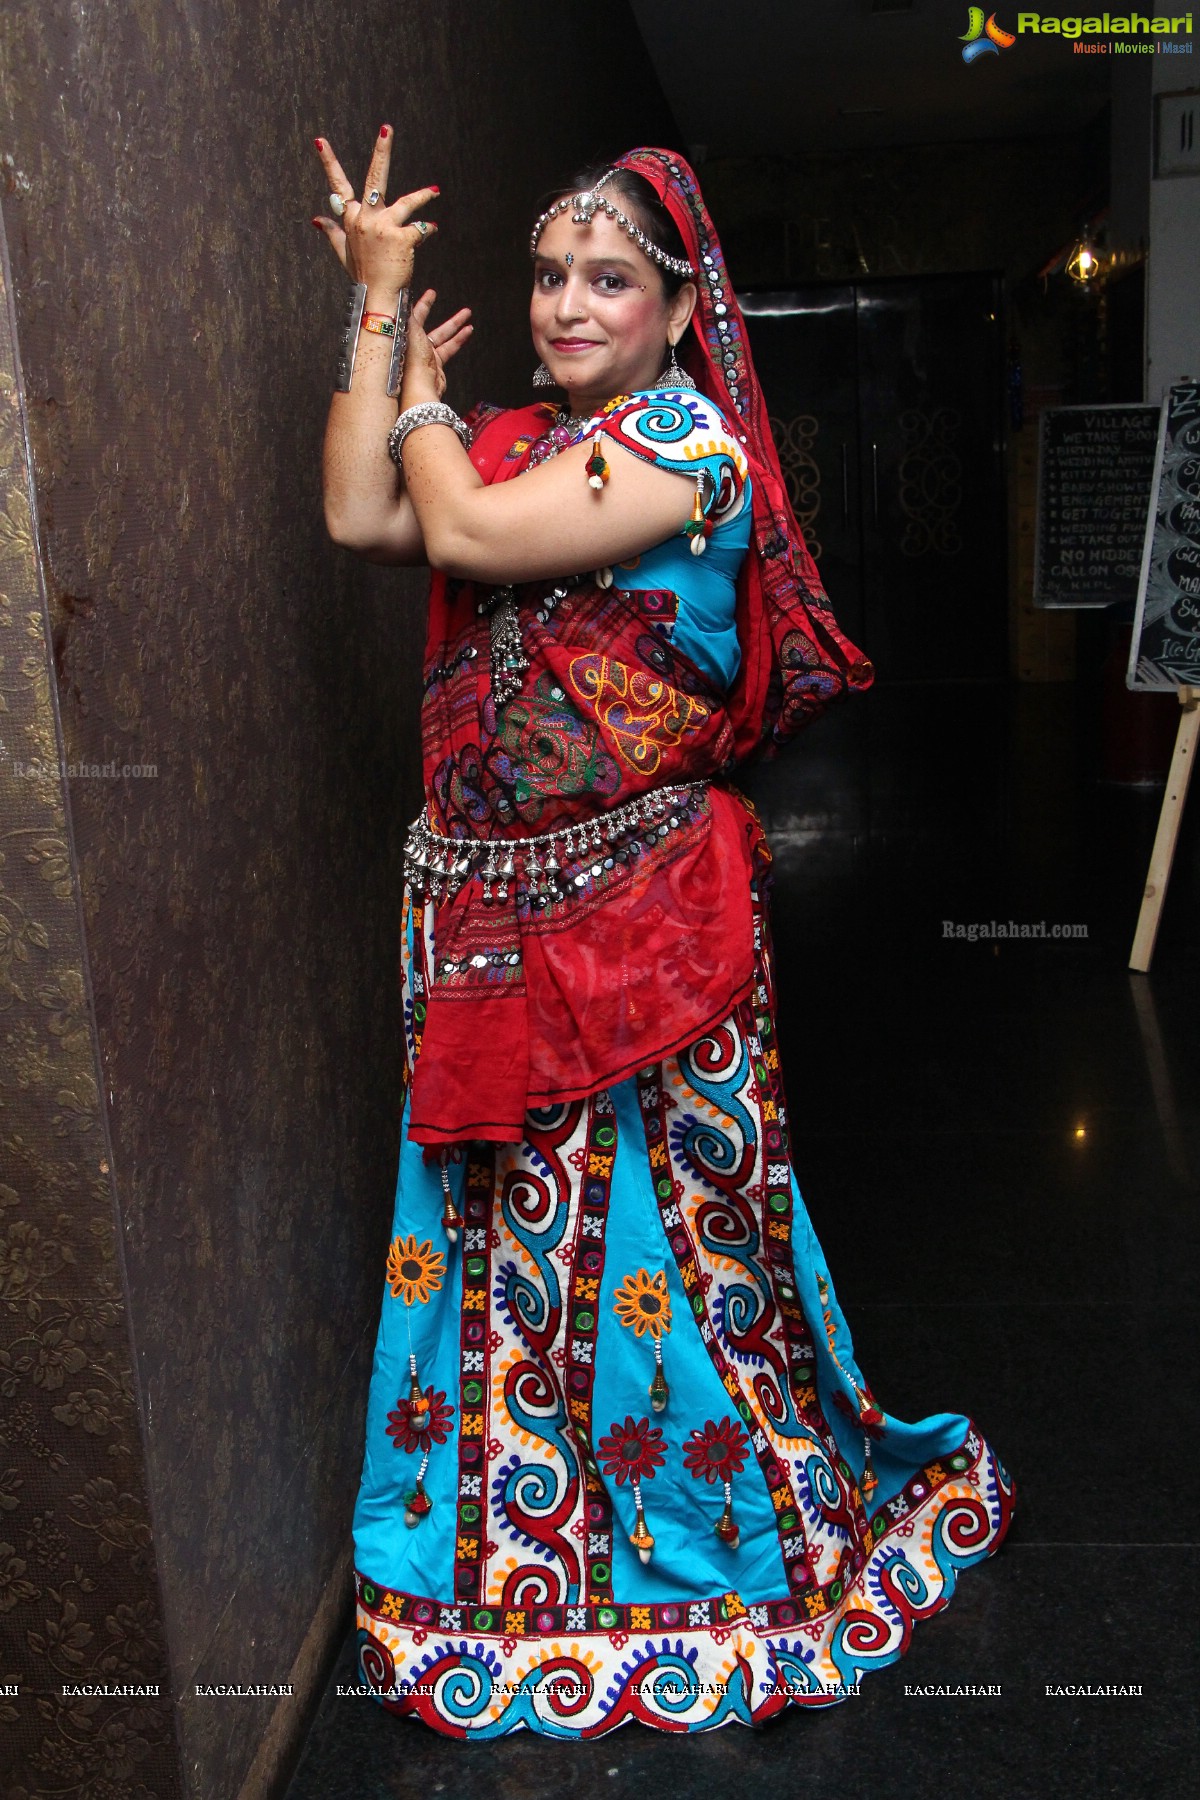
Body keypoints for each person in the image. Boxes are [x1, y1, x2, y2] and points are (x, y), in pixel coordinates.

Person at [311, 131, 1015, 1737]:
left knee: (672, 1246)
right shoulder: (504, 441)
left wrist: (421, 410)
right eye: (550, 275)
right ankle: (522, 1559)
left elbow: (470, 538)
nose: (566, 304)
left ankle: (716, 1554)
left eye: (607, 280)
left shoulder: (690, 448)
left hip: (648, 932)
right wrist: (379, 317)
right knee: (502, 1241)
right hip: (491, 928)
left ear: (682, 309)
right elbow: (369, 518)